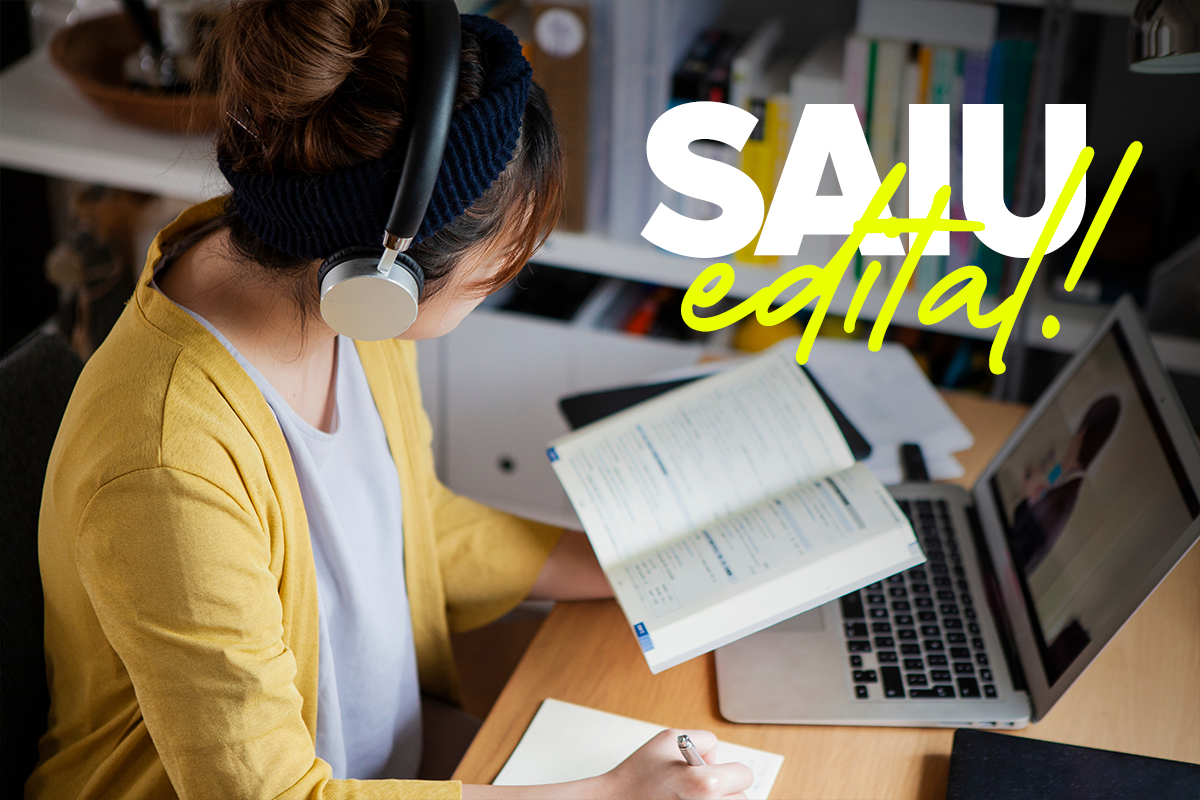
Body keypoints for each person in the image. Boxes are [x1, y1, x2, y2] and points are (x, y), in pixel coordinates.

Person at [29, 2, 753, 799]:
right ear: (388, 274)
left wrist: (645, 566)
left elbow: (412, 530)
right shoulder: (168, 459)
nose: (513, 272)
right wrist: (610, 795)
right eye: (502, 263)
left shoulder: (339, 296)